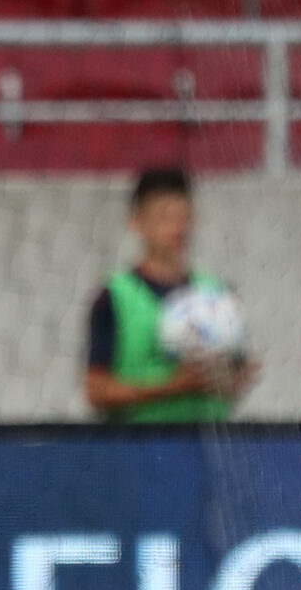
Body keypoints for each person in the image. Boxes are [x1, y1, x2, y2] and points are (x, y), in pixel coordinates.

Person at [84, 167, 256, 421]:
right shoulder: (114, 296)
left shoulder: (218, 293)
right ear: (137, 221)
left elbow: (235, 376)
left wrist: (234, 378)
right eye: (164, 217)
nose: (177, 228)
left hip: (206, 447)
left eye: (183, 216)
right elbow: (96, 391)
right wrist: (175, 386)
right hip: (137, 448)